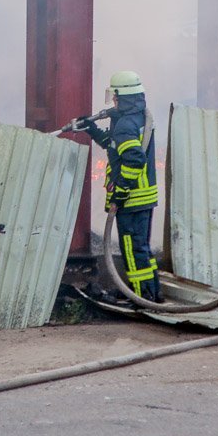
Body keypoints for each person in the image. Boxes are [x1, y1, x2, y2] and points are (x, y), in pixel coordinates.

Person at [73, 70, 162, 304]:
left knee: (132, 250)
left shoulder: (125, 124)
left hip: (132, 197)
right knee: (141, 247)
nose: (113, 101)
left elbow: (134, 159)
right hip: (144, 196)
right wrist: (91, 129)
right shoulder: (138, 117)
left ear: (123, 97)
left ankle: (139, 296)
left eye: (115, 97)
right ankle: (152, 291)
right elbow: (115, 147)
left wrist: (121, 189)